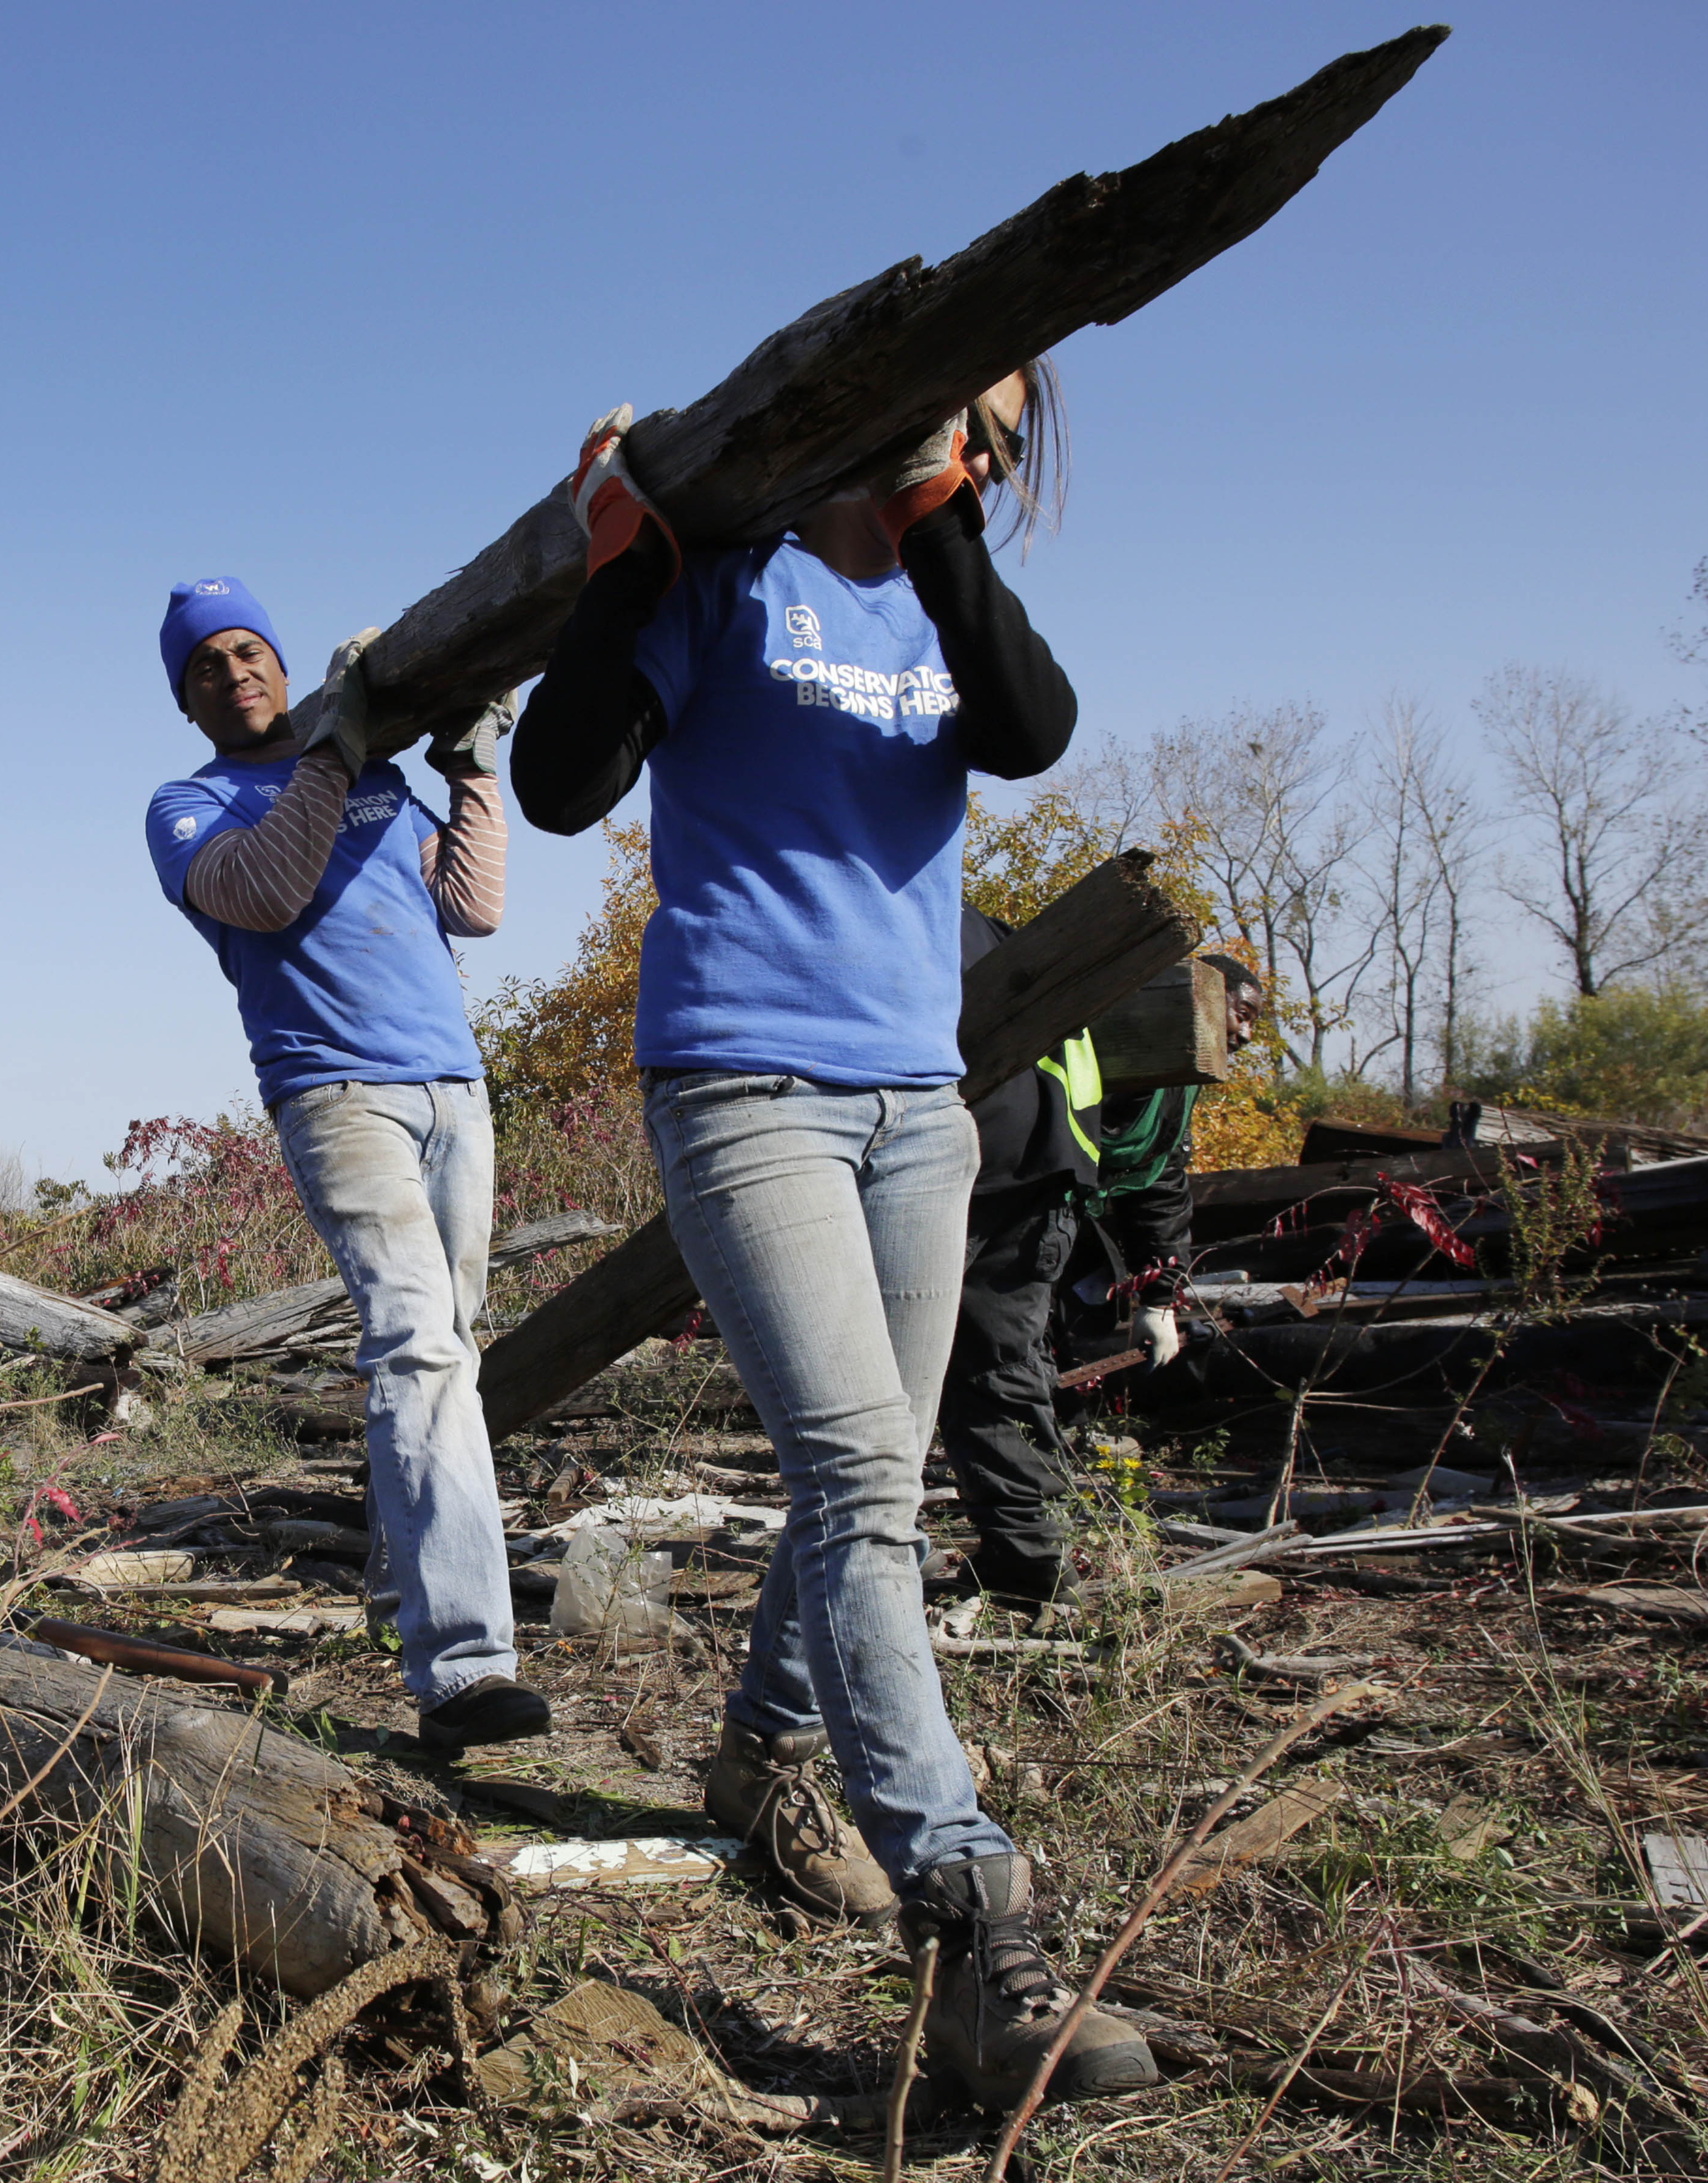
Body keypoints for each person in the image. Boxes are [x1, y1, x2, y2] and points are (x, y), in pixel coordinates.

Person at [511, 375, 1157, 2107]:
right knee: (867, 1484)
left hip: (921, 1107)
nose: (969, 424)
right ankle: (966, 1922)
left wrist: (941, 529)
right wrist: (625, 565)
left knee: (859, 1476)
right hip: (747, 1086)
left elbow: (1032, 730)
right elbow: (562, 782)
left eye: (998, 416)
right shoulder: (729, 584)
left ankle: (764, 1758)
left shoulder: (946, 608)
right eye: (956, 383)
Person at [142, 577, 546, 1751]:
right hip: (336, 1095)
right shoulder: (191, 803)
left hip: (455, 1089)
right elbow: (263, 896)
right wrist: (334, 747)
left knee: (449, 1352)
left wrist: (471, 773)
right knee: (417, 1346)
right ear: (186, 698)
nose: (234, 674)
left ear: (278, 659)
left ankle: (398, 1593)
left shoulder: (378, 780)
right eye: (206, 666)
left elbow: (472, 911)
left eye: (248, 650)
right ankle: (465, 1668)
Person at [939, 908, 1106, 1615]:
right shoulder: (1003, 932)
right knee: (1002, 1373)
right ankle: (1028, 1553)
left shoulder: (909, 915)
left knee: (962, 1374)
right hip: (1045, 1178)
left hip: (979, 1172)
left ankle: (1030, 1562)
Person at [1082, 954, 1266, 1364]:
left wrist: (1160, 1299)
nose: (1247, 1035)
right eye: (1243, 1014)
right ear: (1204, 999)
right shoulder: (1104, 1039)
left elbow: (1161, 1183)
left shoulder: (1177, 1087)